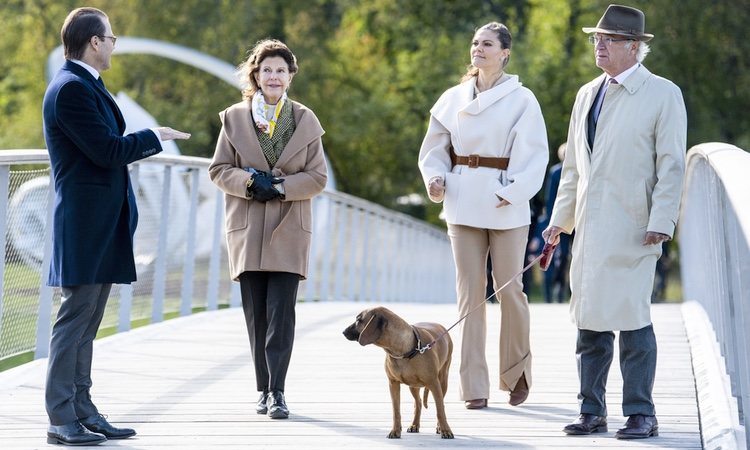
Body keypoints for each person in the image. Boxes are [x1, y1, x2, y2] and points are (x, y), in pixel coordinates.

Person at [43, 7, 190, 446]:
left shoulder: (85, 84)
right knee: (74, 322)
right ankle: (60, 417)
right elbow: (107, 151)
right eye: (111, 37)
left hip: (100, 225)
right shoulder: (70, 88)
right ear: (94, 42)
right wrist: (153, 135)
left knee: (88, 324)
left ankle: (83, 410)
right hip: (84, 226)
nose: (114, 44)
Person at [542, 4, 686, 440]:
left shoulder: (662, 94)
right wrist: (558, 221)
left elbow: (673, 164)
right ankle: (591, 410)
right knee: (590, 320)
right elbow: (572, 170)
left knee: (634, 319)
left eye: (608, 39)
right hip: (590, 226)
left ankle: (641, 412)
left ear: (634, 47)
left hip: (635, 224)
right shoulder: (587, 93)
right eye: (596, 39)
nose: (599, 46)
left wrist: (662, 220)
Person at [418, 22, 549, 409]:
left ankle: (517, 374)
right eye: (475, 42)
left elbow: (535, 154)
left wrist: (512, 191)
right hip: (461, 201)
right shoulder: (452, 97)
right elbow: (434, 149)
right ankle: (473, 387)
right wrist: (436, 178)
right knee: (470, 296)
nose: (478, 48)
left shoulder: (523, 99)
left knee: (510, 290)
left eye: (487, 44)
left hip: (505, 202)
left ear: (504, 53)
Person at [208, 39, 327, 420]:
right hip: (247, 228)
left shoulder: (306, 120)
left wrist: (278, 187)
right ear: (255, 76)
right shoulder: (234, 119)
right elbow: (218, 169)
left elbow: (318, 177)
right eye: (266, 70)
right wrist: (247, 182)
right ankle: (262, 389)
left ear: (290, 76)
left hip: (290, 226)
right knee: (256, 314)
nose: (273, 77)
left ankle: (278, 391)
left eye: (280, 70)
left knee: (282, 312)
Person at [542, 143, 572, 303]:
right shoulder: (555, 172)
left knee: (574, 257)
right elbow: (550, 199)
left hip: (578, 220)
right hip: (562, 221)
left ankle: (569, 292)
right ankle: (557, 290)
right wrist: (552, 222)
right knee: (562, 257)